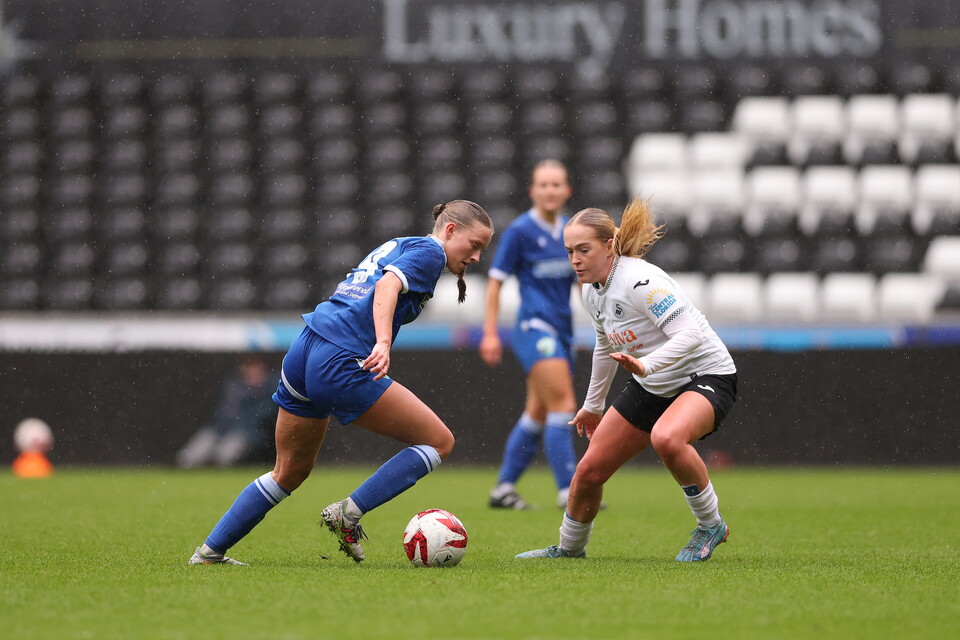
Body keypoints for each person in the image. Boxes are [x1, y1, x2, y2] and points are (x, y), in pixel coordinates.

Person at [189, 200, 493, 565]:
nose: (476, 257)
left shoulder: (401, 243)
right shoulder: (431, 253)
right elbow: (387, 286)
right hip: (339, 357)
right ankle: (348, 513)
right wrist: (382, 342)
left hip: (305, 349)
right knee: (439, 441)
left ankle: (209, 552)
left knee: (289, 471)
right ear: (451, 230)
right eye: (474, 245)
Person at [516, 197, 737, 562]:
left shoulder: (639, 281)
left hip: (705, 375)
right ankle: (570, 549)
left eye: (583, 250)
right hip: (652, 384)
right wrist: (593, 405)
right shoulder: (590, 290)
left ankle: (711, 525)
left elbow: (690, 335)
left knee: (667, 438)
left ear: (608, 246)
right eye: (570, 251)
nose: (575, 260)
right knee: (589, 471)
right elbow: (605, 346)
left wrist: (647, 366)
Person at [480, 159, 580, 510]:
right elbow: (495, 282)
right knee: (563, 404)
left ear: (567, 191)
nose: (550, 190)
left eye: (556, 184)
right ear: (532, 191)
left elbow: (582, 281)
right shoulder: (520, 230)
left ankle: (503, 489)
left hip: (564, 330)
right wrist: (490, 332)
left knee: (538, 412)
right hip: (534, 328)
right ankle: (570, 492)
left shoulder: (571, 230)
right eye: (543, 184)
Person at [176, 355, 277, 468]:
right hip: (219, 429)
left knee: (224, 455)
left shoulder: (270, 390)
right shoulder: (235, 386)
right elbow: (223, 412)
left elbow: (262, 416)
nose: (251, 373)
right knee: (190, 455)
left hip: (246, 433)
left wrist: (254, 393)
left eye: (255, 369)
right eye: (249, 369)